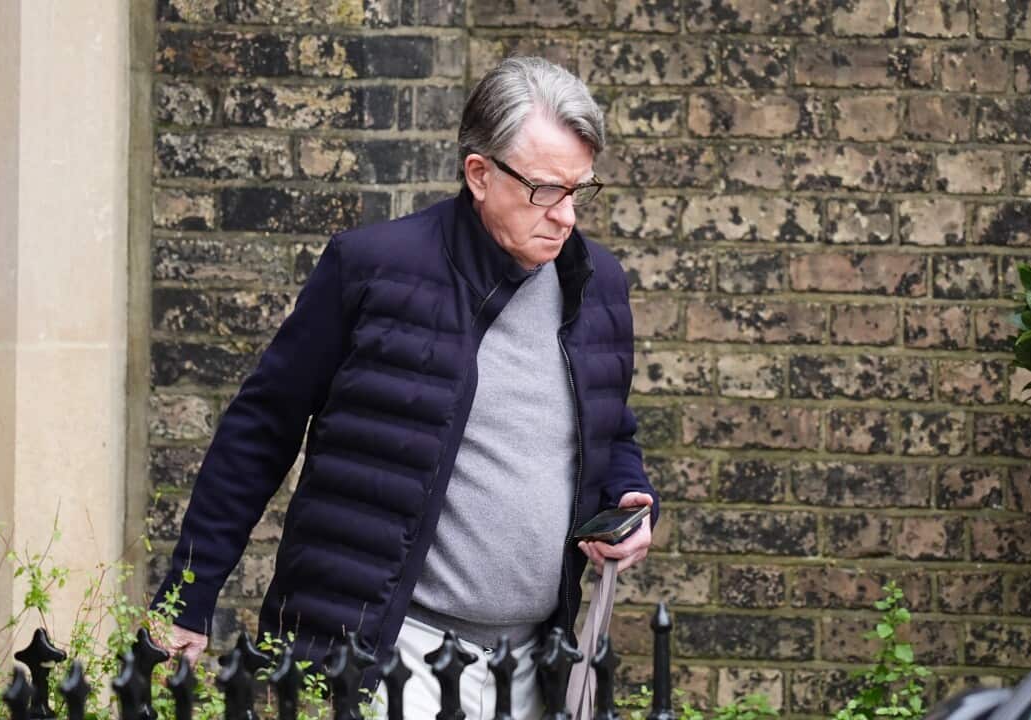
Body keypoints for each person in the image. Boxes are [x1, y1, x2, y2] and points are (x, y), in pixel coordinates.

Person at [152, 56, 660, 719]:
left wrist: (629, 498)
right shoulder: (373, 270)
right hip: (388, 656)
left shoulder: (598, 285)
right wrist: (187, 596)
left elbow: (609, 427)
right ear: (480, 174)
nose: (565, 216)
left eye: (578, 190)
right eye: (544, 190)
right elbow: (261, 429)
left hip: (534, 665)